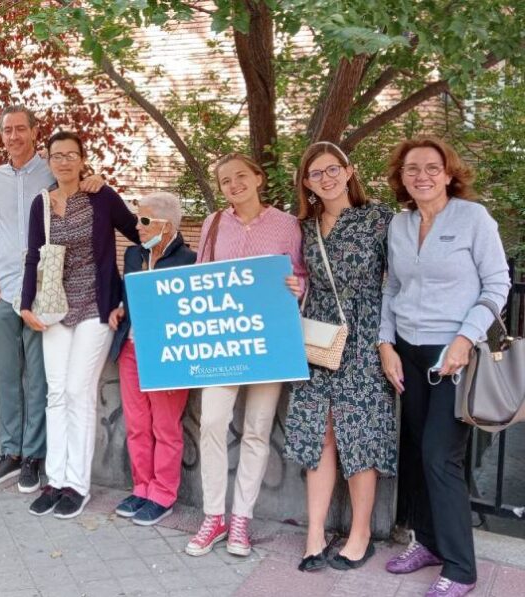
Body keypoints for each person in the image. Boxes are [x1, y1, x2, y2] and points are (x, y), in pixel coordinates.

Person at [378, 136, 510, 597]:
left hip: (455, 357)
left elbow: (497, 284)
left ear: (449, 173)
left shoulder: (472, 218)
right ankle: (428, 543)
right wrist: (384, 342)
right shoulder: (400, 223)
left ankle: (460, 568)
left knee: (440, 456)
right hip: (408, 354)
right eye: (412, 168)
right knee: (416, 453)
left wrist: (464, 337)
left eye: (432, 168)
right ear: (402, 177)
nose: (422, 176)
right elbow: (391, 288)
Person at [282, 141, 396, 572]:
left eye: (333, 170)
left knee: (359, 435)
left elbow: (400, 283)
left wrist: (389, 342)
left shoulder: (379, 219)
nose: (326, 179)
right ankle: (315, 533)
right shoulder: (304, 227)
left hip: (365, 339)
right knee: (320, 434)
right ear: (307, 184)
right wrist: (297, 289)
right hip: (316, 337)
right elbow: (303, 278)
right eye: (316, 174)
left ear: (348, 172)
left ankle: (360, 534)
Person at [185, 153, 306, 557]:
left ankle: (241, 520)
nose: (234, 185)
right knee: (212, 424)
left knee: (257, 430)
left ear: (258, 178)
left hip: (269, 341)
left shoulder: (288, 225)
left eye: (241, 176)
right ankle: (214, 516)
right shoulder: (214, 224)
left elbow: (303, 275)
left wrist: (297, 286)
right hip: (222, 340)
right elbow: (200, 274)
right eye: (225, 180)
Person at [0, 105, 104, 493]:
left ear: (34, 133)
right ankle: (10, 453)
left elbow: (86, 190)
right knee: (6, 376)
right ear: (1, 136)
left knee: (39, 379)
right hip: (3, 287)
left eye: (21, 129)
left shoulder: (52, 170)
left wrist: (96, 179)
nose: (13, 136)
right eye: (7, 130)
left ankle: (34, 456)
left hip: (44, 289)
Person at [21, 131, 141, 520]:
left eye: (72, 155)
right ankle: (54, 480)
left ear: (82, 159)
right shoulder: (41, 203)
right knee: (55, 394)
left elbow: (140, 237)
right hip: (54, 308)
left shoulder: (101, 197)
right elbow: (32, 258)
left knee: (78, 390)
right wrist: (25, 304)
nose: (65, 162)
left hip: (96, 307)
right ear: (49, 161)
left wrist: (125, 297)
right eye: (57, 156)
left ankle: (78, 485)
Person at [108, 192, 196, 525]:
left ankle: (163, 494)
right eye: (137, 219)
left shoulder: (191, 261)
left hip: (168, 356)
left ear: (167, 224)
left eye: (144, 220)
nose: (137, 226)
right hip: (131, 350)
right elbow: (126, 294)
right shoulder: (132, 255)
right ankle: (142, 487)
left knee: (165, 427)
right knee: (137, 426)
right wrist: (119, 309)